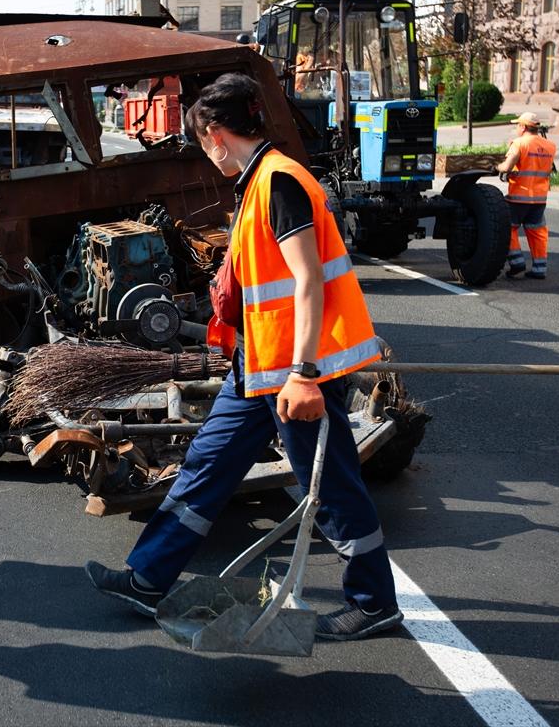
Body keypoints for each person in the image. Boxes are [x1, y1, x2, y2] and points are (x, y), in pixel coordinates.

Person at [86, 73, 404, 642]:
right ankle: (146, 579)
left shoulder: (280, 182)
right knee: (205, 466)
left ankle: (374, 602)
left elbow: (309, 282)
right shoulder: (259, 181)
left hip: (299, 372)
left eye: (200, 142)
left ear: (214, 132)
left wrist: (306, 375)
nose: (205, 155)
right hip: (258, 369)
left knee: (331, 488)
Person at [495, 112, 557, 280]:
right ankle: (539, 268)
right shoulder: (550, 146)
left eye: (517, 125)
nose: (516, 128)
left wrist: (498, 166)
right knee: (537, 232)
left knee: (507, 228)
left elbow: (507, 167)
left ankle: (517, 262)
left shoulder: (519, 143)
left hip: (518, 197)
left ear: (522, 127)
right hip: (539, 198)